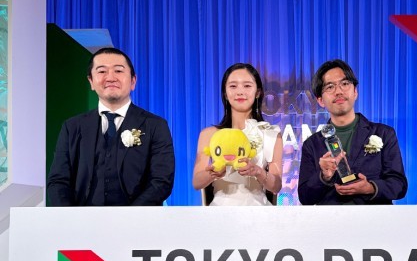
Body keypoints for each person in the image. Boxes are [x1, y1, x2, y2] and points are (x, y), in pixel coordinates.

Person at [47, 47, 175, 206]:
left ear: (133, 81)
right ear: (91, 81)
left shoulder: (155, 125)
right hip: (82, 219)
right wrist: (71, 216)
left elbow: (161, 181)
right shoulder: (72, 127)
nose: (110, 77)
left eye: (118, 71)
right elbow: (58, 181)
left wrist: (131, 215)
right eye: (102, 71)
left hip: (137, 218)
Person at [298, 59, 407, 205]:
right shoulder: (312, 144)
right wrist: (324, 176)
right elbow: (305, 197)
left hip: (373, 217)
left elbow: (399, 185)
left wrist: (370, 188)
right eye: (330, 87)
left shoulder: (384, 134)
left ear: (355, 92)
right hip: (332, 218)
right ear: (320, 100)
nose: (338, 91)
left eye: (344, 84)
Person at [192, 63, 282, 206]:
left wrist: (258, 171)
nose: (240, 92)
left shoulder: (271, 134)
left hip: (258, 209)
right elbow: (197, 183)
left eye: (247, 86)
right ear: (225, 93)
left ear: (258, 92)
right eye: (233, 86)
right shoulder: (209, 134)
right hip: (219, 210)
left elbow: (276, 186)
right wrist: (213, 173)